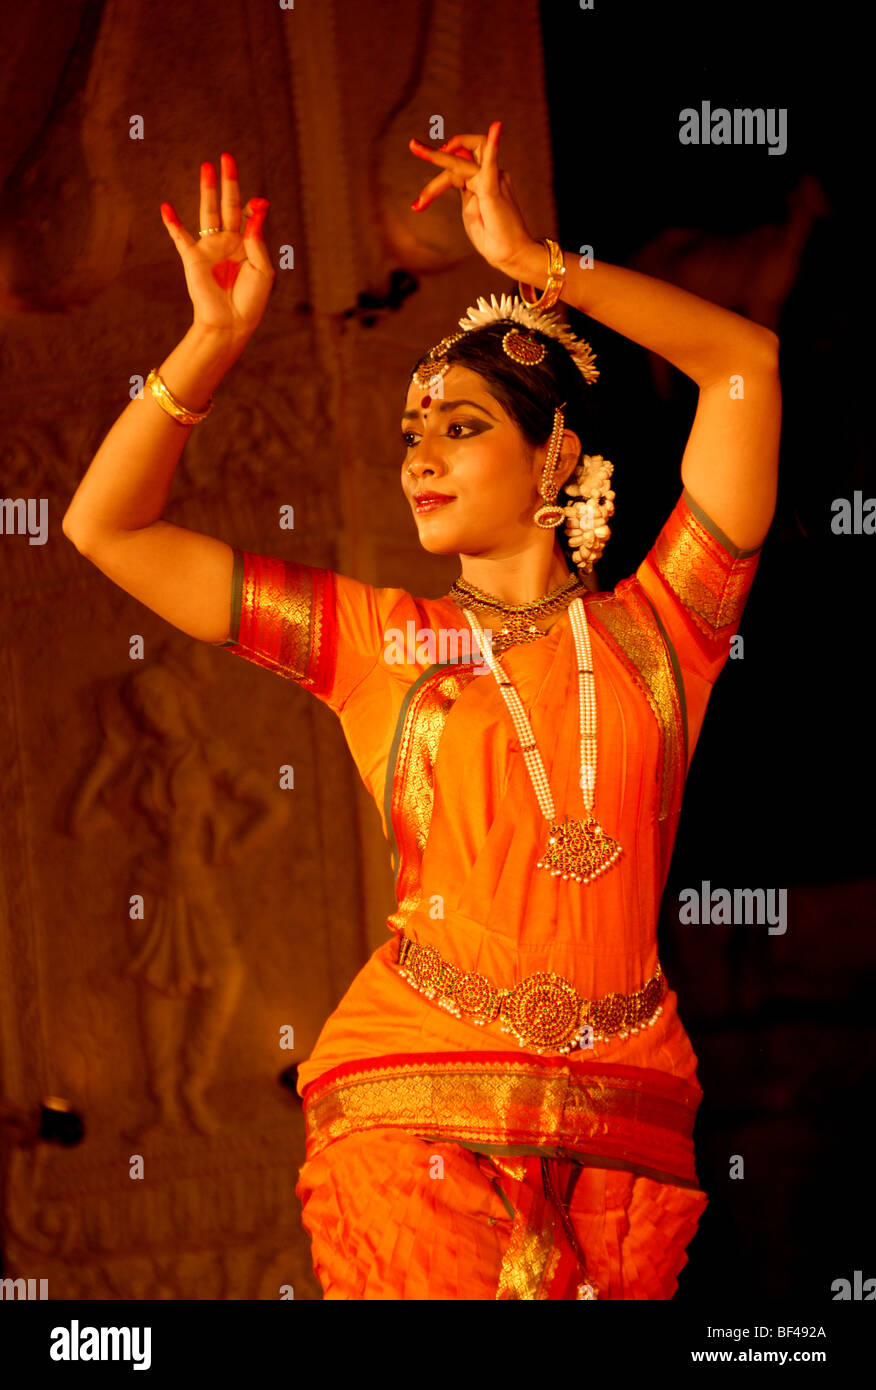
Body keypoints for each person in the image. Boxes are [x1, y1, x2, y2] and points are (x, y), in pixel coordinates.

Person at [62, 129, 781, 1300]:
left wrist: (540, 262)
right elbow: (107, 527)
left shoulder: (667, 630)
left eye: (461, 428)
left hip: (623, 1117)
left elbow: (744, 360)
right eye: (412, 436)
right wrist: (209, 343)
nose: (423, 461)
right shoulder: (376, 639)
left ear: (554, 454)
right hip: (414, 1102)